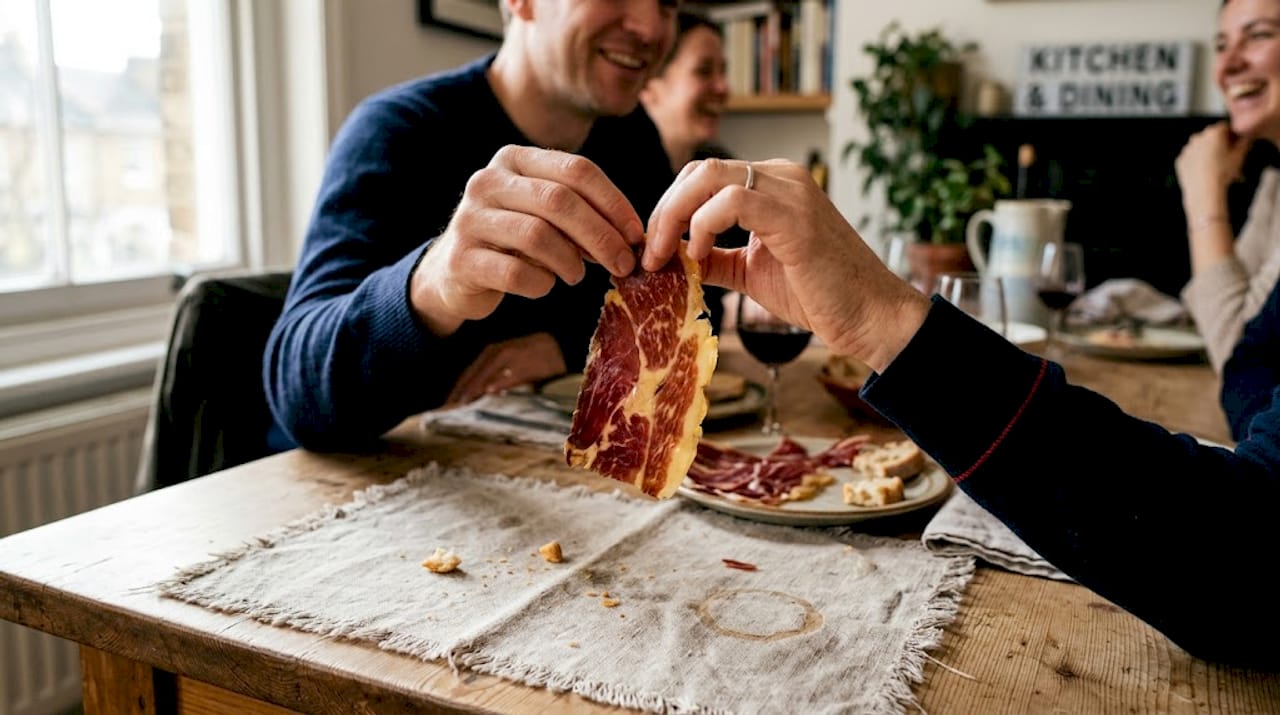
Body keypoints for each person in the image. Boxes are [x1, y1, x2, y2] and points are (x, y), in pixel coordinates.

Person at [263, 0, 679, 450]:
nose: (650, 26)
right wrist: (432, 285)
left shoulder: (634, 139)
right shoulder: (396, 131)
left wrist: (564, 346)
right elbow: (298, 396)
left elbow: (676, 303)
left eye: (669, 4)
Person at [1177, 0, 1280, 374]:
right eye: (1222, 45)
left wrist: (1204, 194)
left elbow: (1239, 360)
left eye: (1259, 36)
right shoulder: (1275, 184)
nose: (1227, 65)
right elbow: (1219, 317)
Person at [639, 10, 746, 332]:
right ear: (649, 85)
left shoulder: (720, 167)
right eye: (704, 71)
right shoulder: (617, 176)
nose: (723, 87)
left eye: (724, 72)